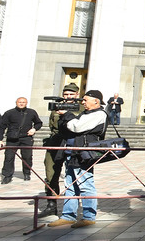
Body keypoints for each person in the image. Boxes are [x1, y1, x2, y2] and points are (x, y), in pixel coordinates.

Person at [47, 89, 108, 229]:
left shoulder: (99, 114)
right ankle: (68, 216)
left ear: (96, 101)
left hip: (84, 154)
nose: (83, 103)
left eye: (86, 100)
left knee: (86, 184)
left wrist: (67, 115)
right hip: (72, 152)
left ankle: (89, 216)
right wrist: (64, 118)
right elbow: (68, 127)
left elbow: (76, 126)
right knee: (70, 185)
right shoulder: (86, 113)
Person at [38, 83, 80, 218]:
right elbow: (52, 125)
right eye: (66, 94)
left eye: (71, 94)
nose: (68, 97)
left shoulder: (82, 107)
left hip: (72, 143)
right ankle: (51, 205)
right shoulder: (57, 106)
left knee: (73, 177)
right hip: (56, 142)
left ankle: (72, 208)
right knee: (50, 174)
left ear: (77, 95)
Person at [0, 96, 42, 184]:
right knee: (9, 157)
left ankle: (27, 173)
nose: (21, 103)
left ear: (26, 103)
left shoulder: (31, 112)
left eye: (23, 102)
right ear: (16, 103)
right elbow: (1, 126)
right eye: (19, 102)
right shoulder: (9, 113)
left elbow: (38, 123)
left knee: (27, 157)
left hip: (26, 138)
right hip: (12, 138)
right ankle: (7, 176)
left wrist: (34, 129)